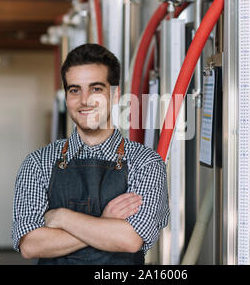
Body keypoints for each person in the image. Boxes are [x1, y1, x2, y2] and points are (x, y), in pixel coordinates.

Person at [12, 43, 169, 265]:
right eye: (74, 90)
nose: (84, 100)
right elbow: (31, 244)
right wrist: (105, 223)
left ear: (115, 96)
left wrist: (61, 218)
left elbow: (130, 239)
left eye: (96, 88)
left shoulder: (145, 162)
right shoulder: (38, 163)